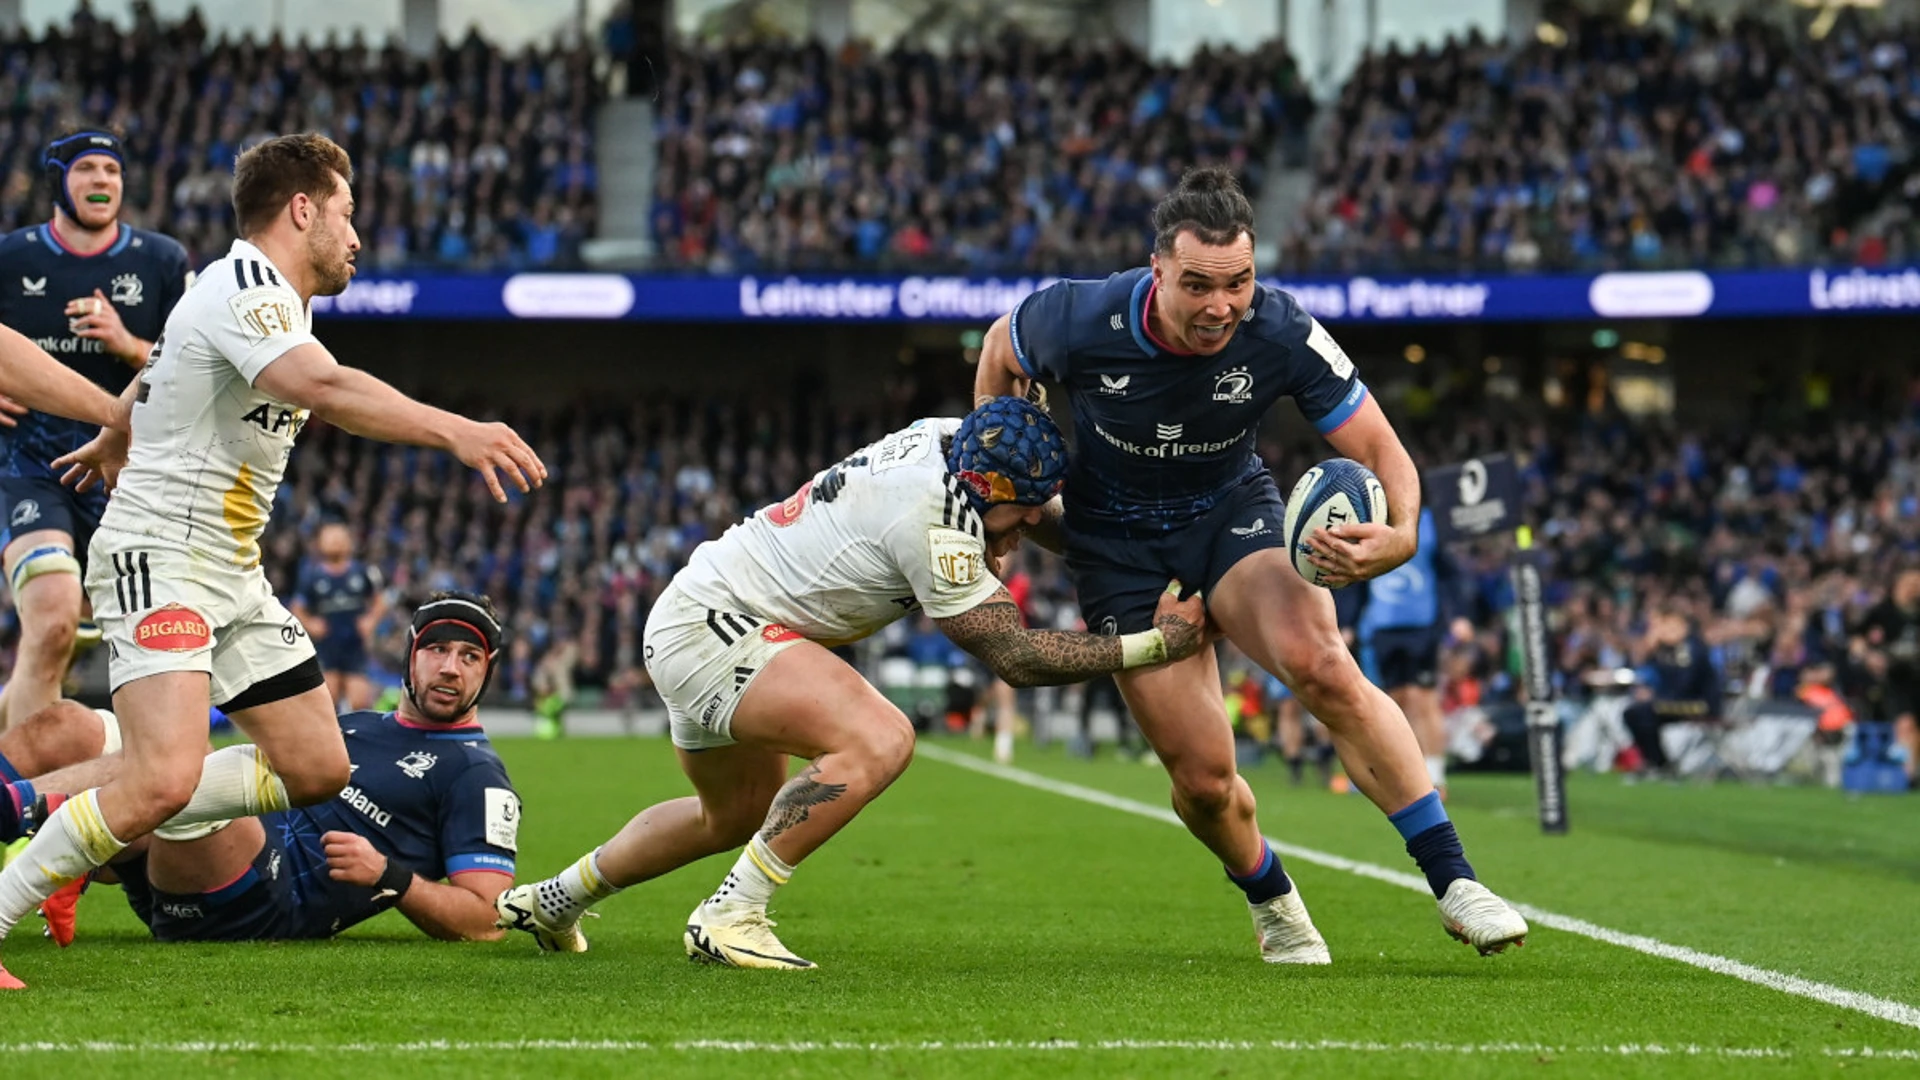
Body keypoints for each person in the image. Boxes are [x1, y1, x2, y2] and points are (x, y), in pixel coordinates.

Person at [0, 132, 545, 990]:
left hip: (231, 573)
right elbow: (320, 389)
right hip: (163, 557)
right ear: (303, 209)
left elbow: (170, 360)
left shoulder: (242, 298)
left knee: (318, 766)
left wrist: (116, 427)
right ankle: (17, 883)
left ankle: (45, 803)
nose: (357, 237)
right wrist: (456, 429)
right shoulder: (246, 285)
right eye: (348, 213)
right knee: (164, 780)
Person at [969, 166, 1527, 962]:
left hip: (1232, 516)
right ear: (1157, 270)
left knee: (1323, 664)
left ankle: (1454, 880)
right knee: (1202, 782)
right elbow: (1000, 347)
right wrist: (1003, 492)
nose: (1220, 306)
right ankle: (1273, 900)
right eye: (1197, 285)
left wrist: (1404, 531)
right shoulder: (1077, 315)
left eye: (1238, 283)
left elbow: (1379, 444)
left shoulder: (1281, 329)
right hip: (1117, 550)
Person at [495, 398, 1207, 969]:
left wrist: (1121, 551)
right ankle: (731, 914)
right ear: (986, 488)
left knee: (737, 813)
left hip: (701, 610)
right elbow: (1016, 657)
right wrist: (1154, 644)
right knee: (882, 738)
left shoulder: (952, 438)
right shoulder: (933, 520)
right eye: (1018, 513)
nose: (1025, 528)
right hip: (721, 628)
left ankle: (556, 900)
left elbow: (1039, 512)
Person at [0, 592, 519, 945]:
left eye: (470, 656)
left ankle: (35, 816)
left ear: (488, 671)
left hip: (257, 901)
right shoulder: (359, 722)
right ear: (410, 655)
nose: (450, 667)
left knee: (181, 762)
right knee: (71, 726)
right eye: (436, 649)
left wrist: (394, 877)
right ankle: (69, 840)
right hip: (183, 846)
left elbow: (489, 917)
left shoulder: (475, 774)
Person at [0, 130, 192, 730]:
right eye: (86, 168)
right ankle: (22, 804)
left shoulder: (162, 261)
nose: (102, 180)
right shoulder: (10, 258)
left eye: (112, 168)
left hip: (127, 474)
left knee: (153, 644)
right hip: (30, 467)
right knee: (54, 620)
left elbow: (194, 369)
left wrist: (127, 342)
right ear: (58, 179)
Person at [1356, 507, 1449, 796]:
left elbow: (1448, 573)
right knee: (1395, 704)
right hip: (1383, 628)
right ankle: (1407, 776)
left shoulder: (1430, 525)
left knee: (1423, 701)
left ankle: (1436, 776)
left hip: (1421, 626)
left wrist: (1458, 615)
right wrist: (1348, 620)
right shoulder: (1366, 520)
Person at [290, 522, 388, 713]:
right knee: (328, 699)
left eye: (339, 537)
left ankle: (354, 739)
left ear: (349, 542)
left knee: (359, 702)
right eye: (330, 537)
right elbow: (297, 607)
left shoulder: (362, 571)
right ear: (320, 544)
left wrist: (370, 621)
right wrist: (311, 624)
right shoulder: (311, 576)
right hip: (327, 645)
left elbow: (380, 601)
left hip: (355, 645)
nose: (335, 541)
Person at [1622, 608, 1722, 779]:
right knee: (1633, 714)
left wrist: (1655, 697)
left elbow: (1685, 685)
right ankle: (1656, 761)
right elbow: (1641, 665)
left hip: (1699, 704)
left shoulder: (1692, 647)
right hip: (1673, 701)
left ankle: (1658, 764)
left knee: (1644, 712)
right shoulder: (1668, 650)